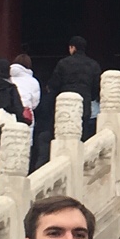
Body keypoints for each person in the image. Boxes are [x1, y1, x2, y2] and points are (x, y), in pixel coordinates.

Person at [32, 36, 102, 169]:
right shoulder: (93, 65)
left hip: (64, 106)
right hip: (84, 105)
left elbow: (54, 85)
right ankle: (80, 165)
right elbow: (96, 88)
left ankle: (61, 164)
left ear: (72, 48)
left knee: (61, 135)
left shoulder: (63, 63)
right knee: (82, 134)